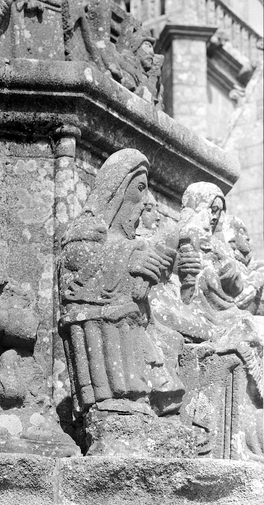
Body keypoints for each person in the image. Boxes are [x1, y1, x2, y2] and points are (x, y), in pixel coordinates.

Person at [58, 148, 181, 415]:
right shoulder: (87, 228)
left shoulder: (130, 242)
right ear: (117, 188)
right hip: (104, 334)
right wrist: (129, 259)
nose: (145, 201)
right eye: (140, 188)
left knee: (171, 341)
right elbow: (75, 265)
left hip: (132, 324)